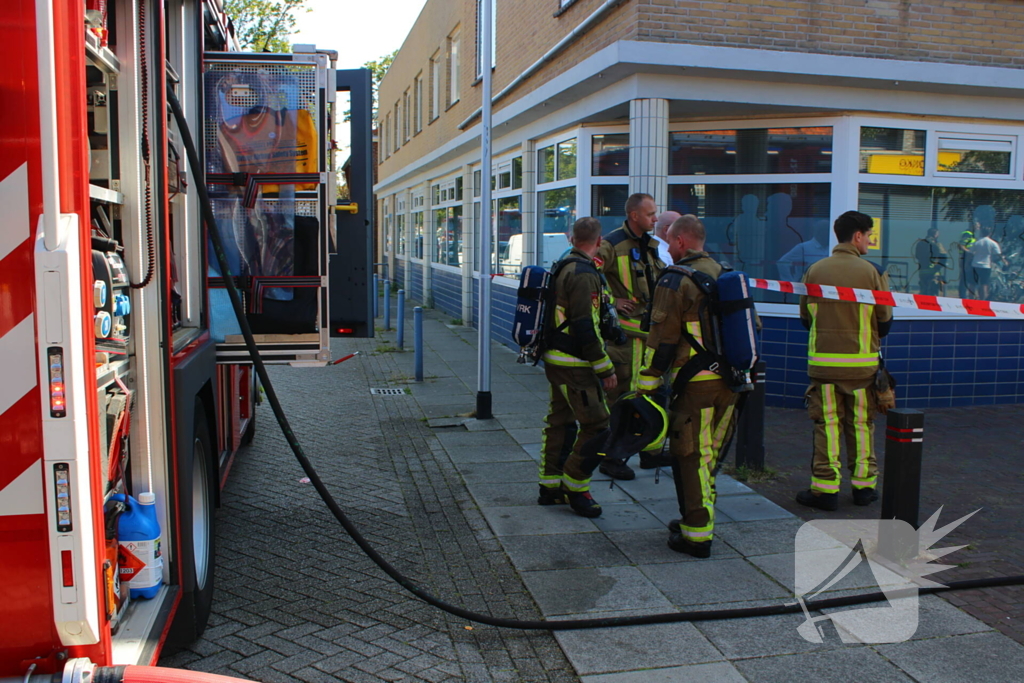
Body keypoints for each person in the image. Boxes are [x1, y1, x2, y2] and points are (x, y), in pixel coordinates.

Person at [636, 215, 739, 558]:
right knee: (709, 457)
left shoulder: (675, 280)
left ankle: (696, 535)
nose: (667, 248)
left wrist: (646, 385)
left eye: (669, 242)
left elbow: (661, 340)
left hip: (696, 386)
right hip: (731, 383)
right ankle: (700, 517)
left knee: (692, 456)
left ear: (681, 241)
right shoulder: (726, 273)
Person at [796, 211, 893, 512]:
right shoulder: (872, 272)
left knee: (826, 426)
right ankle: (864, 488)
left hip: (823, 367)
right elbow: (885, 320)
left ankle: (825, 491)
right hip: (862, 368)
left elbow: (804, 318)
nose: (869, 241)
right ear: (857, 236)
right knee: (861, 425)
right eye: (868, 235)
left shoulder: (814, 271)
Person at [538, 217, 618, 518]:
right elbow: (586, 326)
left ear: (572, 239)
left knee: (560, 421)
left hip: (558, 359)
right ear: (598, 242)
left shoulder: (563, 264)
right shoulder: (584, 274)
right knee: (597, 426)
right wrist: (605, 369)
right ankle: (576, 488)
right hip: (575, 365)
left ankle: (550, 486)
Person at [596, 193, 668, 479]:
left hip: (648, 338)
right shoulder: (612, 245)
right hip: (625, 342)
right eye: (650, 214)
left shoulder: (650, 246)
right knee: (622, 399)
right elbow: (586, 275)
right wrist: (611, 301)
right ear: (634, 215)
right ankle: (612, 459)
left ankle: (651, 453)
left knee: (649, 396)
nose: (655, 218)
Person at [970, 225, 1008, 301]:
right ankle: (983, 299)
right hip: (986, 265)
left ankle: (971, 299)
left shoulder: (977, 242)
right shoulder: (992, 243)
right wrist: (1004, 261)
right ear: (989, 233)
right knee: (984, 284)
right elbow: (998, 253)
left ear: (981, 233)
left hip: (975, 265)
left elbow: (971, 252)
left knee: (973, 283)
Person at [914, 227, 949, 296]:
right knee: (933, 290)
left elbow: (917, 255)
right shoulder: (937, 244)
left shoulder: (920, 243)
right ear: (935, 235)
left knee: (923, 289)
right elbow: (944, 256)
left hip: (922, 270)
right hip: (933, 271)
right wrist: (939, 266)